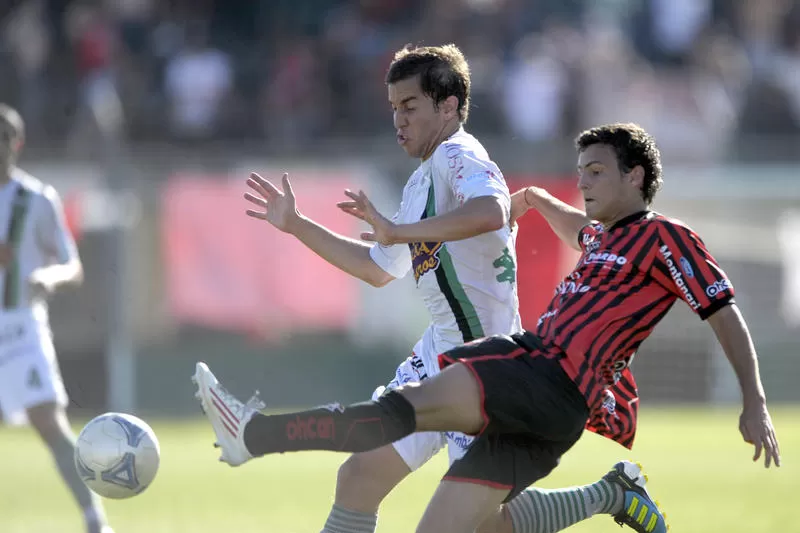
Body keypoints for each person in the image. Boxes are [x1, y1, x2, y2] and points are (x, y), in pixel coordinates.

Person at [196, 122, 782, 533]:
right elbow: (576, 225)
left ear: (635, 176)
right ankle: (614, 493)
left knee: (401, 413)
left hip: (532, 372)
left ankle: (256, 434)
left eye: (598, 171)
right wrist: (535, 200)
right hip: (557, 412)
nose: (584, 181)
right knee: (467, 523)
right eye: (580, 171)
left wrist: (754, 400)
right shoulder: (602, 238)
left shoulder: (665, 236)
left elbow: (720, 308)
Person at [239, 44, 523, 533]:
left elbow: (491, 211)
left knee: (486, 526)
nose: (399, 120)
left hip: (487, 366)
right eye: (394, 108)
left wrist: (399, 233)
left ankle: (609, 492)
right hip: (441, 352)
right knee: (360, 475)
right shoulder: (419, 184)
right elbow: (376, 268)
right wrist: (297, 224)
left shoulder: (460, 153)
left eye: (410, 107)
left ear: (449, 106)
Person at [0, 104, 114, 533]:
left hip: (20, 327)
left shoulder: (35, 200)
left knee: (49, 422)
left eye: (2, 138)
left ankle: (94, 519)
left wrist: (47, 277)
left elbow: (73, 265)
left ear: (17, 144)